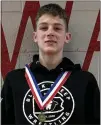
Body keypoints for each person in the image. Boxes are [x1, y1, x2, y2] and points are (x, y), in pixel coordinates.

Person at [1, 3, 100, 125]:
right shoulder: (14, 80)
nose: (50, 33)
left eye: (57, 28)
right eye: (43, 28)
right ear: (35, 36)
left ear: (67, 37)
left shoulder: (85, 81)